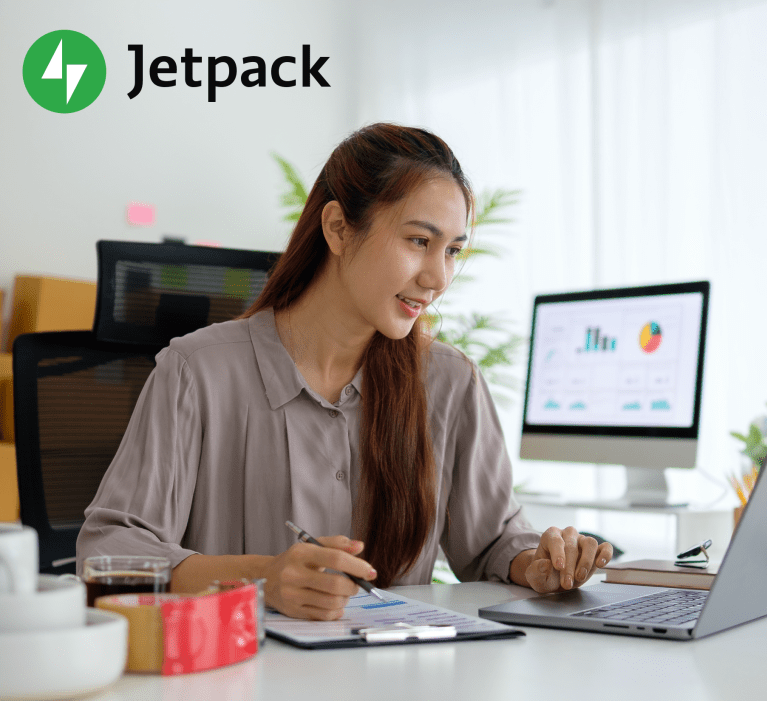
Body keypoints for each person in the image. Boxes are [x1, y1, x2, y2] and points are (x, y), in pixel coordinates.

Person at [77, 123, 614, 620]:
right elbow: (109, 551)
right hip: (242, 670)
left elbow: (492, 541)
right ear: (337, 228)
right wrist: (263, 578)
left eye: (452, 250)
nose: (438, 277)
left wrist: (538, 564)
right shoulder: (197, 372)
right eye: (419, 241)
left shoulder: (450, 382)